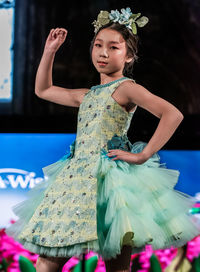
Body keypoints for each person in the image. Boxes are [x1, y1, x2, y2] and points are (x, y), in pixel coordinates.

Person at [5, 7, 200, 272]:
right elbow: (44, 90)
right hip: (76, 178)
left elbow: (172, 114)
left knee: (116, 263)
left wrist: (143, 155)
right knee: (47, 260)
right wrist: (50, 51)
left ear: (129, 55)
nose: (103, 53)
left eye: (113, 47)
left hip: (110, 181)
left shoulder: (127, 88)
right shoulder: (87, 94)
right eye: (98, 45)